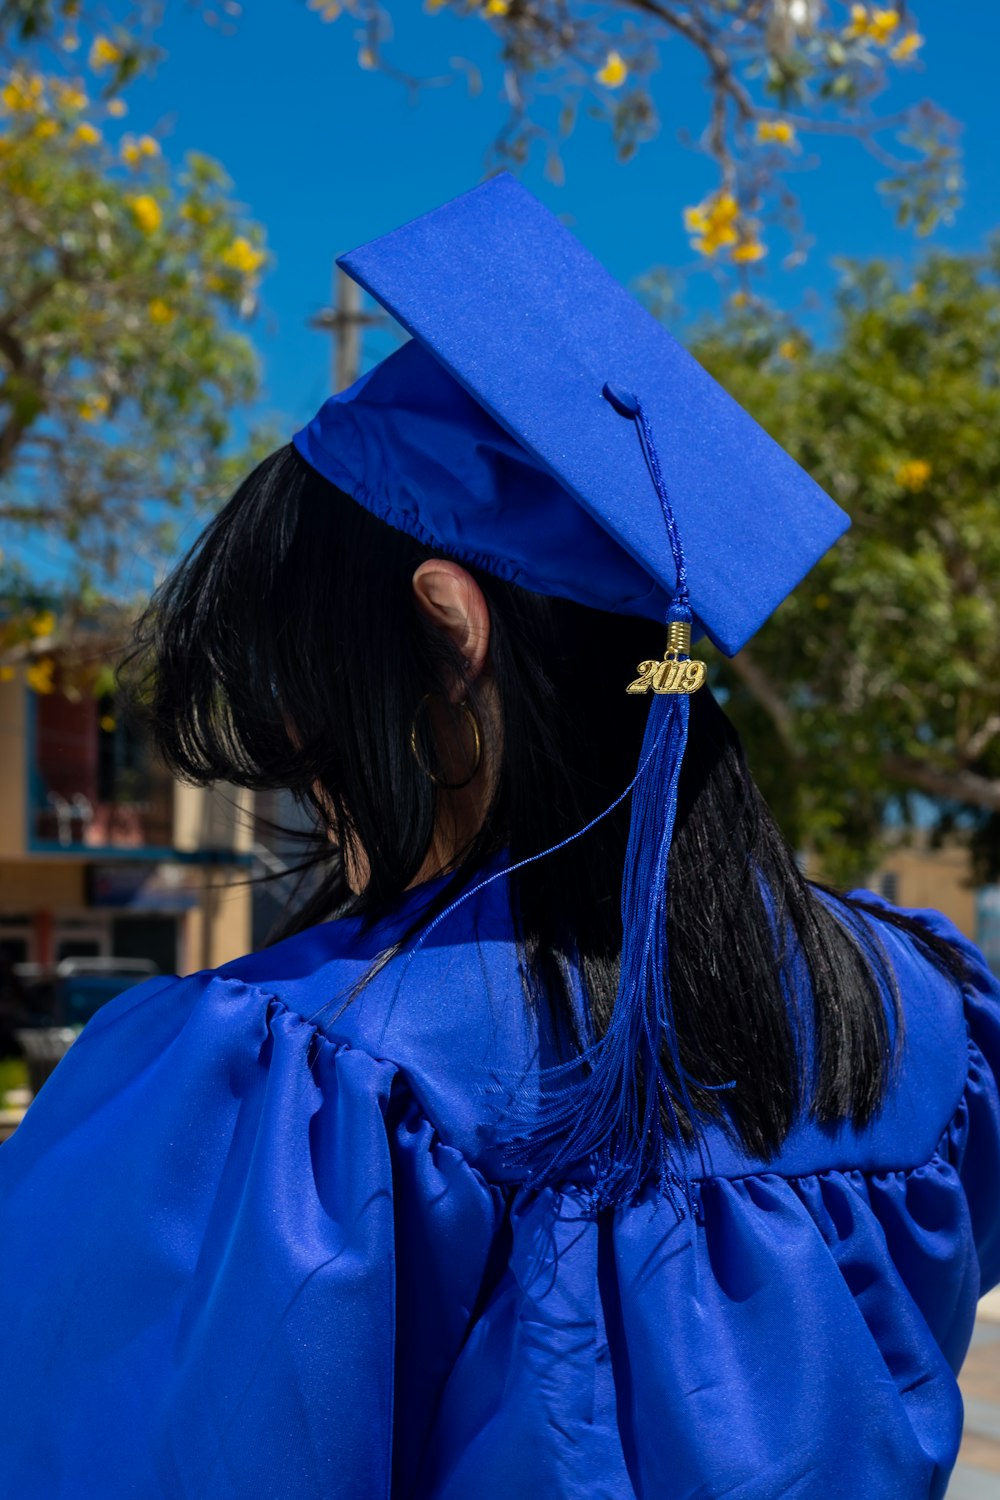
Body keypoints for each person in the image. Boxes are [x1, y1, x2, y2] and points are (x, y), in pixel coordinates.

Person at [0, 175, 997, 1500]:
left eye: (301, 684)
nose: (307, 766)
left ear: (448, 624)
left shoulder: (311, 1078)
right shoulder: (930, 1016)